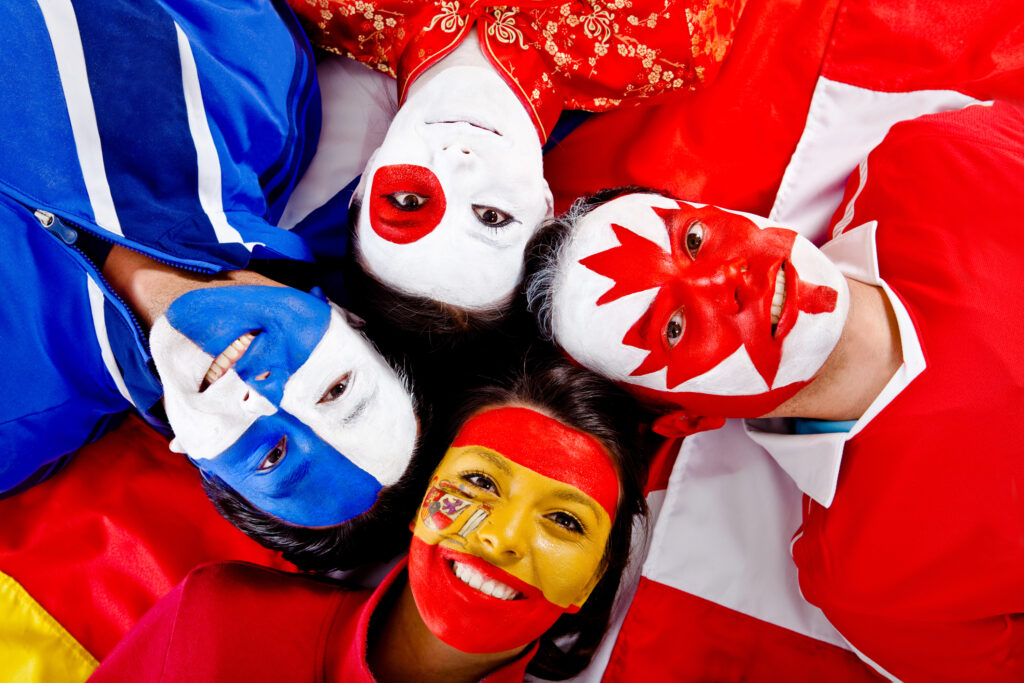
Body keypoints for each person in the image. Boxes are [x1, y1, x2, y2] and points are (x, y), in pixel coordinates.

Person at [523, 102, 1024, 679]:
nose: (726, 281)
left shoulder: (935, 161)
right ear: (686, 418)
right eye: (674, 328)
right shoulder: (866, 582)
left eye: (692, 239)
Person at [0, 0, 419, 542]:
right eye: (335, 390)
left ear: (200, 462)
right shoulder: (250, 65)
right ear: (343, 315)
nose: (264, 397)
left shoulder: (13, 430)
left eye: (271, 458)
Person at [88, 360, 649, 682]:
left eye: (565, 522)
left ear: (595, 579)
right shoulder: (217, 617)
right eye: (478, 482)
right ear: (420, 499)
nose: (500, 537)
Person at [286, 0, 744, 336]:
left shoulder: (321, 6)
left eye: (408, 201)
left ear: (361, 189)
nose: (457, 166)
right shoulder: (669, 40)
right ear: (545, 208)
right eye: (491, 217)